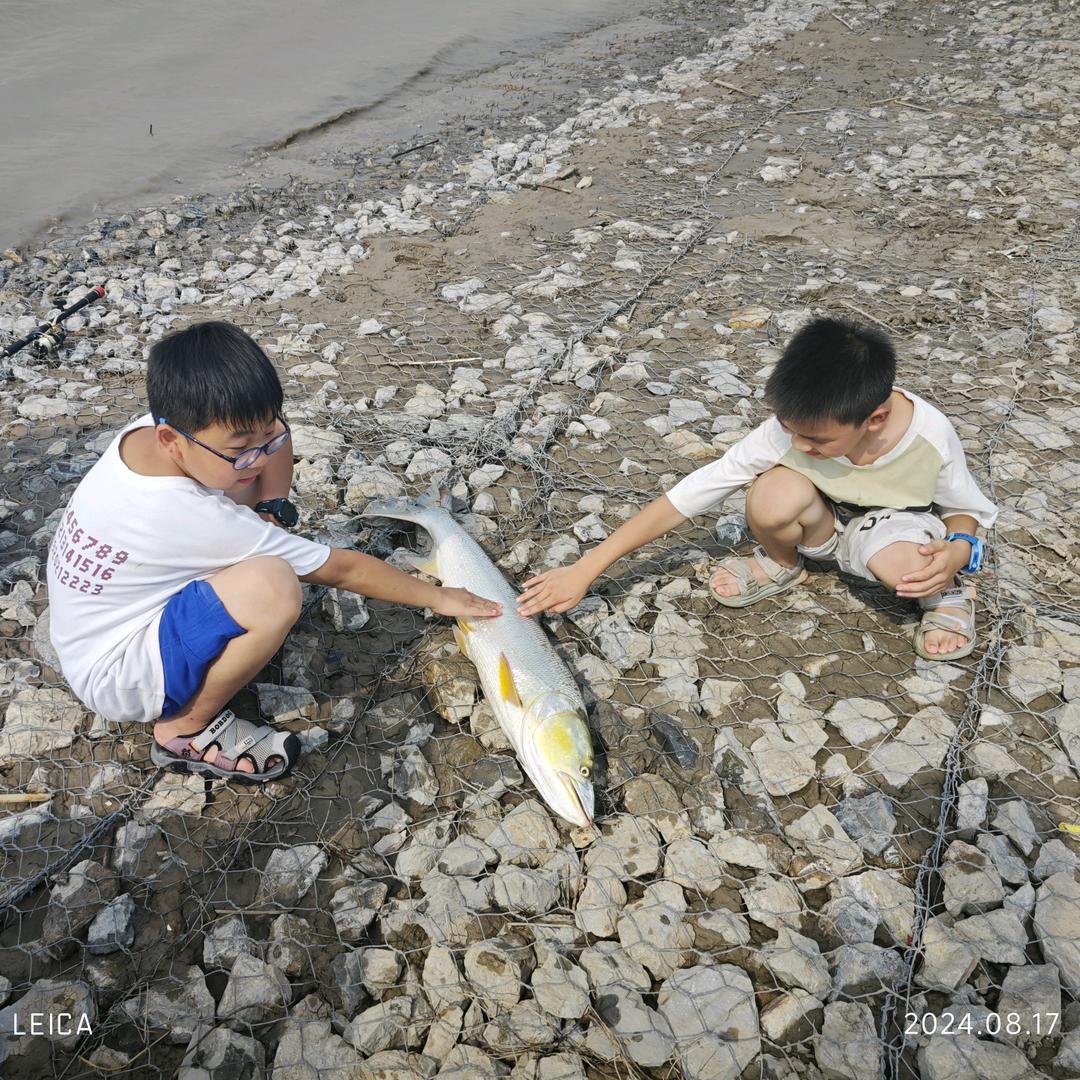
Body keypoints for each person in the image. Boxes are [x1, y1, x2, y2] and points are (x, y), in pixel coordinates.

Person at [46, 321, 500, 783]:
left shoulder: (151, 433)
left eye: (264, 440)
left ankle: (257, 511)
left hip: (104, 622)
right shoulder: (187, 514)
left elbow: (261, 441)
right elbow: (341, 569)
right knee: (274, 586)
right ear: (172, 440)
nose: (261, 457)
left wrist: (269, 508)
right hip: (121, 675)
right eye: (240, 448)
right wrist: (438, 597)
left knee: (261, 445)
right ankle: (183, 729)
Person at [517, 316, 996, 662]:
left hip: (895, 528)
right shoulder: (793, 430)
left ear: (875, 419)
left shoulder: (930, 435)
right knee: (771, 493)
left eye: (817, 440)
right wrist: (586, 568)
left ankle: (947, 594)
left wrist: (957, 551)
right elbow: (693, 493)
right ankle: (784, 564)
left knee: (908, 570)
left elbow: (965, 510)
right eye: (789, 430)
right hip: (820, 525)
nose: (799, 445)